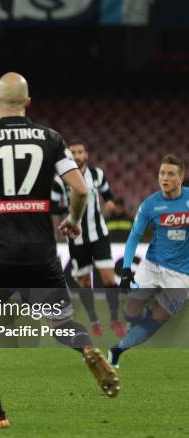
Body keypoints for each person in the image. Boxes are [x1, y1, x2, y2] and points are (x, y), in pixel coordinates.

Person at [0, 73, 120, 429]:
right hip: (40, 248)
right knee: (59, 320)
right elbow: (80, 190)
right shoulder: (51, 139)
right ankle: (85, 348)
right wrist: (74, 221)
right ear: (28, 103)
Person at [108, 155, 189, 367]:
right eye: (162, 173)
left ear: (180, 178)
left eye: (171, 174)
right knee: (130, 313)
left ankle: (117, 350)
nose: (165, 177)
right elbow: (134, 236)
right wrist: (126, 270)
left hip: (181, 275)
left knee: (156, 321)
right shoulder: (150, 205)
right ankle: (136, 321)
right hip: (151, 267)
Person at [51, 140, 124, 338]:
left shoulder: (97, 174)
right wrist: (70, 209)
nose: (76, 155)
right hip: (76, 238)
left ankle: (115, 319)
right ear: (68, 155)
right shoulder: (60, 180)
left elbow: (108, 194)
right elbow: (51, 205)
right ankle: (94, 320)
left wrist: (109, 202)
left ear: (86, 154)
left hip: (99, 234)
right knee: (83, 282)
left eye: (80, 151)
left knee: (108, 277)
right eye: (72, 152)